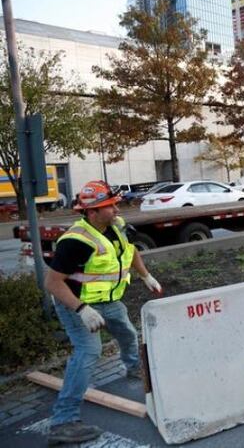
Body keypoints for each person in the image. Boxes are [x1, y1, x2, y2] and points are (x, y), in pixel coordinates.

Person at [44, 180, 162, 445]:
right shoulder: (76, 241)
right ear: (92, 212)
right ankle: (62, 421)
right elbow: (52, 283)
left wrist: (146, 276)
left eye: (115, 204)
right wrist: (82, 309)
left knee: (127, 333)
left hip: (109, 301)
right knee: (88, 352)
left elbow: (129, 251)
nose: (116, 210)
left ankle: (134, 369)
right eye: (110, 206)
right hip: (76, 304)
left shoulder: (115, 226)